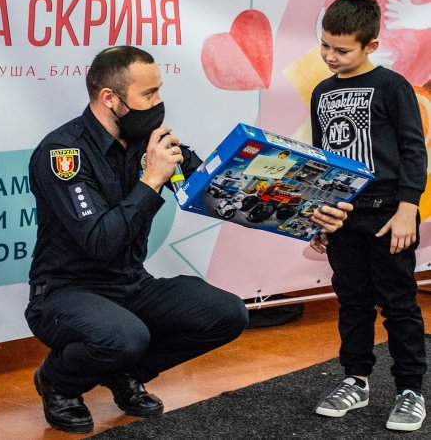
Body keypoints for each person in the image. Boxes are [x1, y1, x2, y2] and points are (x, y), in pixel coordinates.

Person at [26, 45, 352, 434]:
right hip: (64, 291)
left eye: (159, 91)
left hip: (129, 284)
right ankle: (59, 383)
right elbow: (100, 241)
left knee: (227, 313)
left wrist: (311, 216)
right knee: (125, 336)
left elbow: (227, 194)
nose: (158, 103)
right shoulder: (63, 153)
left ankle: (125, 373)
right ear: (109, 98)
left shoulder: (149, 142)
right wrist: (151, 180)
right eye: (148, 94)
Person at [309, 0, 428, 432]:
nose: (330, 57)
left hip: (388, 216)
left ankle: (410, 390)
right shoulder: (322, 92)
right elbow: (321, 160)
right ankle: (355, 380)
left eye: (342, 50)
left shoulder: (393, 86)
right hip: (342, 217)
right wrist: (318, 216)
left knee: (398, 303)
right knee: (352, 301)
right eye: (325, 46)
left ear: (370, 45)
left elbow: (414, 149)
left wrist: (408, 208)